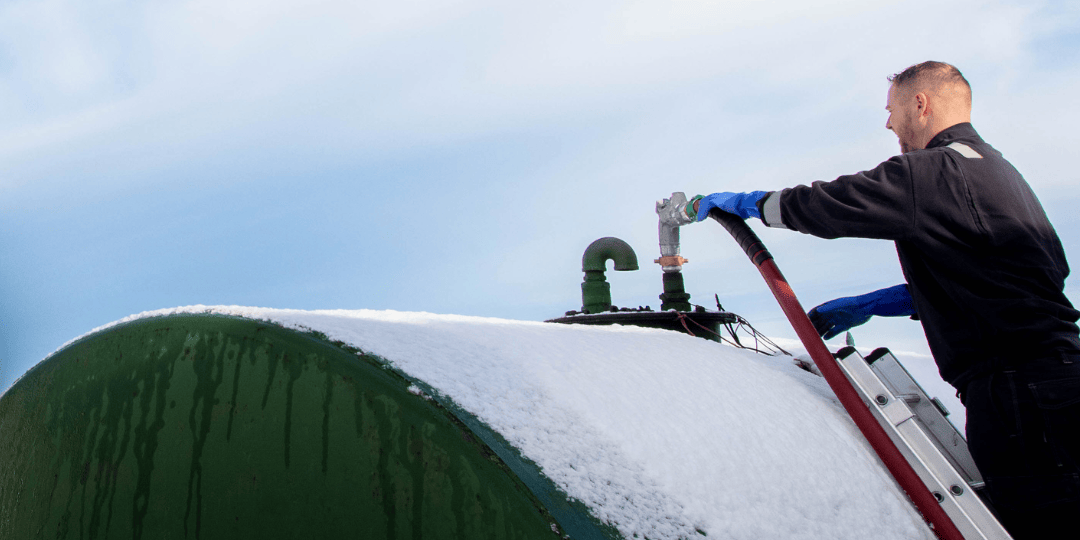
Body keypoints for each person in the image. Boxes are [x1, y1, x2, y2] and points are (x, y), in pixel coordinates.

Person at [691, 61, 1080, 539]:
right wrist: (877, 302)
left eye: (892, 109)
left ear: (921, 103)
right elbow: (1011, 282)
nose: (889, 124)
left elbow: (831, 204)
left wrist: (751, 203)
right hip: (1058, 381)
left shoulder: (933, 170)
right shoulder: (1002, 174)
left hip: (1018, 396)